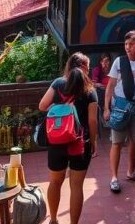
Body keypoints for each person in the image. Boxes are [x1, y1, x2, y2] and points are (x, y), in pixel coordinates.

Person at [38, 52, 99, 224]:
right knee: (76, 186)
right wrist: (93, 142)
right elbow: (92, 120)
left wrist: (59, 107)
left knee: (55, 182)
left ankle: (54, 220)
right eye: (88, 66)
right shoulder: (90, 90)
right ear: (83, 68)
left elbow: (42, 106)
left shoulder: (58, 83)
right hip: (80, 143)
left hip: (57, 141)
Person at [104, 30, 135, 193]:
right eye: (126, 44)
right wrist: (106, 107)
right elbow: (110, 85)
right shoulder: (119, 62)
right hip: (120, 105)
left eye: (131, 44)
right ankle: (114, 177)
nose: (127, 47)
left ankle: (131, 172)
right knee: (116, 142)